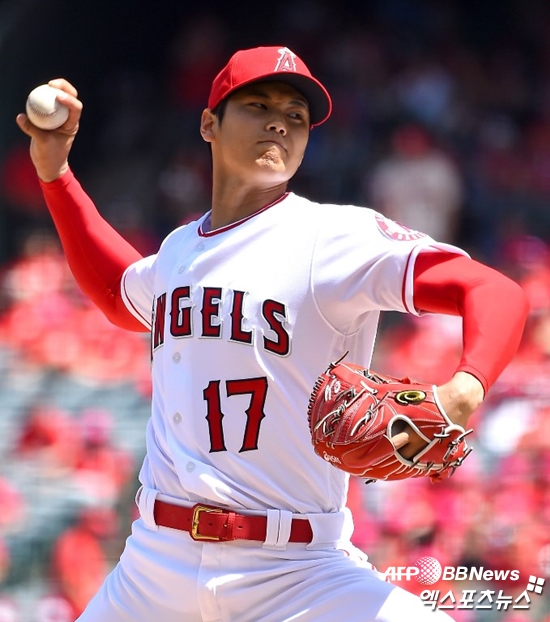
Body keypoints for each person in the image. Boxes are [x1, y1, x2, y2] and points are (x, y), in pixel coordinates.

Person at [16, 45, 529, 622]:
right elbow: (118, 292)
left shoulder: (331, 237)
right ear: (209, 124)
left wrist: (464, 389)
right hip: (155, 567)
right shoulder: (181, 248)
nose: (279, 123)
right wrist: (55, 174)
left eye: (296, 115)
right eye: (258, 106)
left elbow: (495, 291)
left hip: (299, 572)